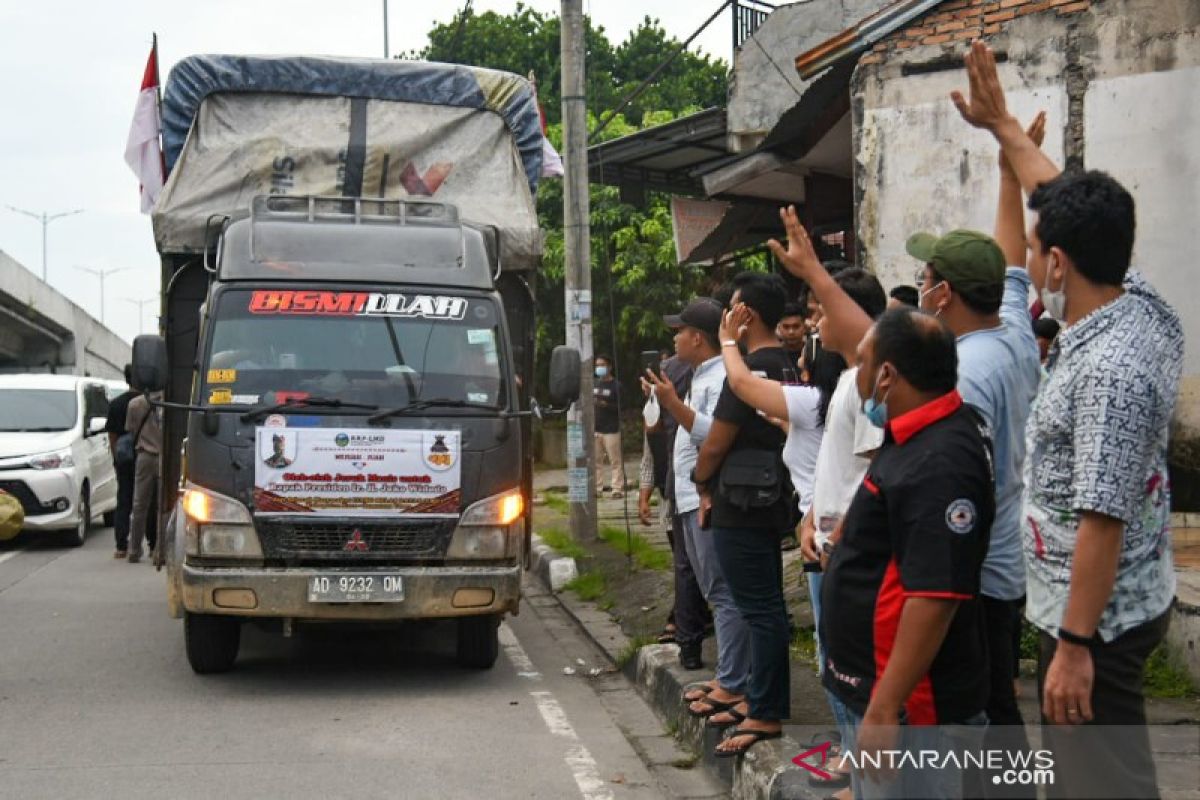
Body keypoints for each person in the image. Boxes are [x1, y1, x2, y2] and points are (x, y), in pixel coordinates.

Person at [954, 40, 1183, 799]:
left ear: (1054, 264)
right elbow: (1065, 201)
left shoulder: (1108, 371)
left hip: (1100, 619)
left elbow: (1102, 520)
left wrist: (1076, 647)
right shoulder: (1137, 301)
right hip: (1119, 597)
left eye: (1038, 247)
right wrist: (1004, 130)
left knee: (1100, 781)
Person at [826, 308, 995, 799]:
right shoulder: (918, 432)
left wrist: (884, 708)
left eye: (861, 363)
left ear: (886, 375)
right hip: (886, 696)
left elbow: (934, 595)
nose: (855, 376)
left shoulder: (941, 460)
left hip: (915, 711)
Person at [768, 220, 888, 796]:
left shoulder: (868, 382)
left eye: (821, 309)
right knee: (836, 665)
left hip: (856, 552)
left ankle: (868, 777)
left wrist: (838, 529)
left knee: (858, 674)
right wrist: (814, 515)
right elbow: (837, 468)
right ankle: (858, 773)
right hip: (832, 542)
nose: (813, 321)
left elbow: (871, 472)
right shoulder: (845, 381)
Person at [691, 272, 794, 758]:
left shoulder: (747, 372)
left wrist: (700, 479)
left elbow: (717, 441)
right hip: (771, 498)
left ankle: (764, 710)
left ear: (744, 315)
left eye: (731, 308)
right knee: (766, 606)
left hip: (739, 501)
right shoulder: (790, 364)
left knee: (759, 610)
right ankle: (757, 698)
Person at [648, 299, 747, 682]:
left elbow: (713, 433)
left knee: (722, 593)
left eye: (680, 331)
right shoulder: (700, 374)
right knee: (713, 591)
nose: (675, 339)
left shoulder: (721, 376)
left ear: (698, 337)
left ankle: (733, 680)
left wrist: (672, 402)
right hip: (690, 497)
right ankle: (730, 677)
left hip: (704, 497)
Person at [105, 365, 139, 559]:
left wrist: (116, 458)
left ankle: (121, 545)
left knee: (124, 499)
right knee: (146, 502)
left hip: (123, 458)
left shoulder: (116, 404)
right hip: (144, 455)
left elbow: (112, 435)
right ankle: (151, 544)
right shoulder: (147, 403)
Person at [125, 390, 162, 563]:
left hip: (144, 456)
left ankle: (134, 549)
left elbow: (131, 430)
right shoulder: (170, 403)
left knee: (139, 504)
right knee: (164, 505)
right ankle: (159, 549)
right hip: (165, 457)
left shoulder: (135, 404)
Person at [592, 355, 624, 498]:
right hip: (595, 429)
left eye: (602, 365)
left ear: (609, 367)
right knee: (596, 461)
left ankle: (617, 488)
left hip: (611, 429)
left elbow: (622, 406)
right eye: (597, 365)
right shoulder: (594, 384)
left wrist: (607, 406)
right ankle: (597, 488)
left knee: (615, 461)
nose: (599, 368)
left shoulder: (616, 386)